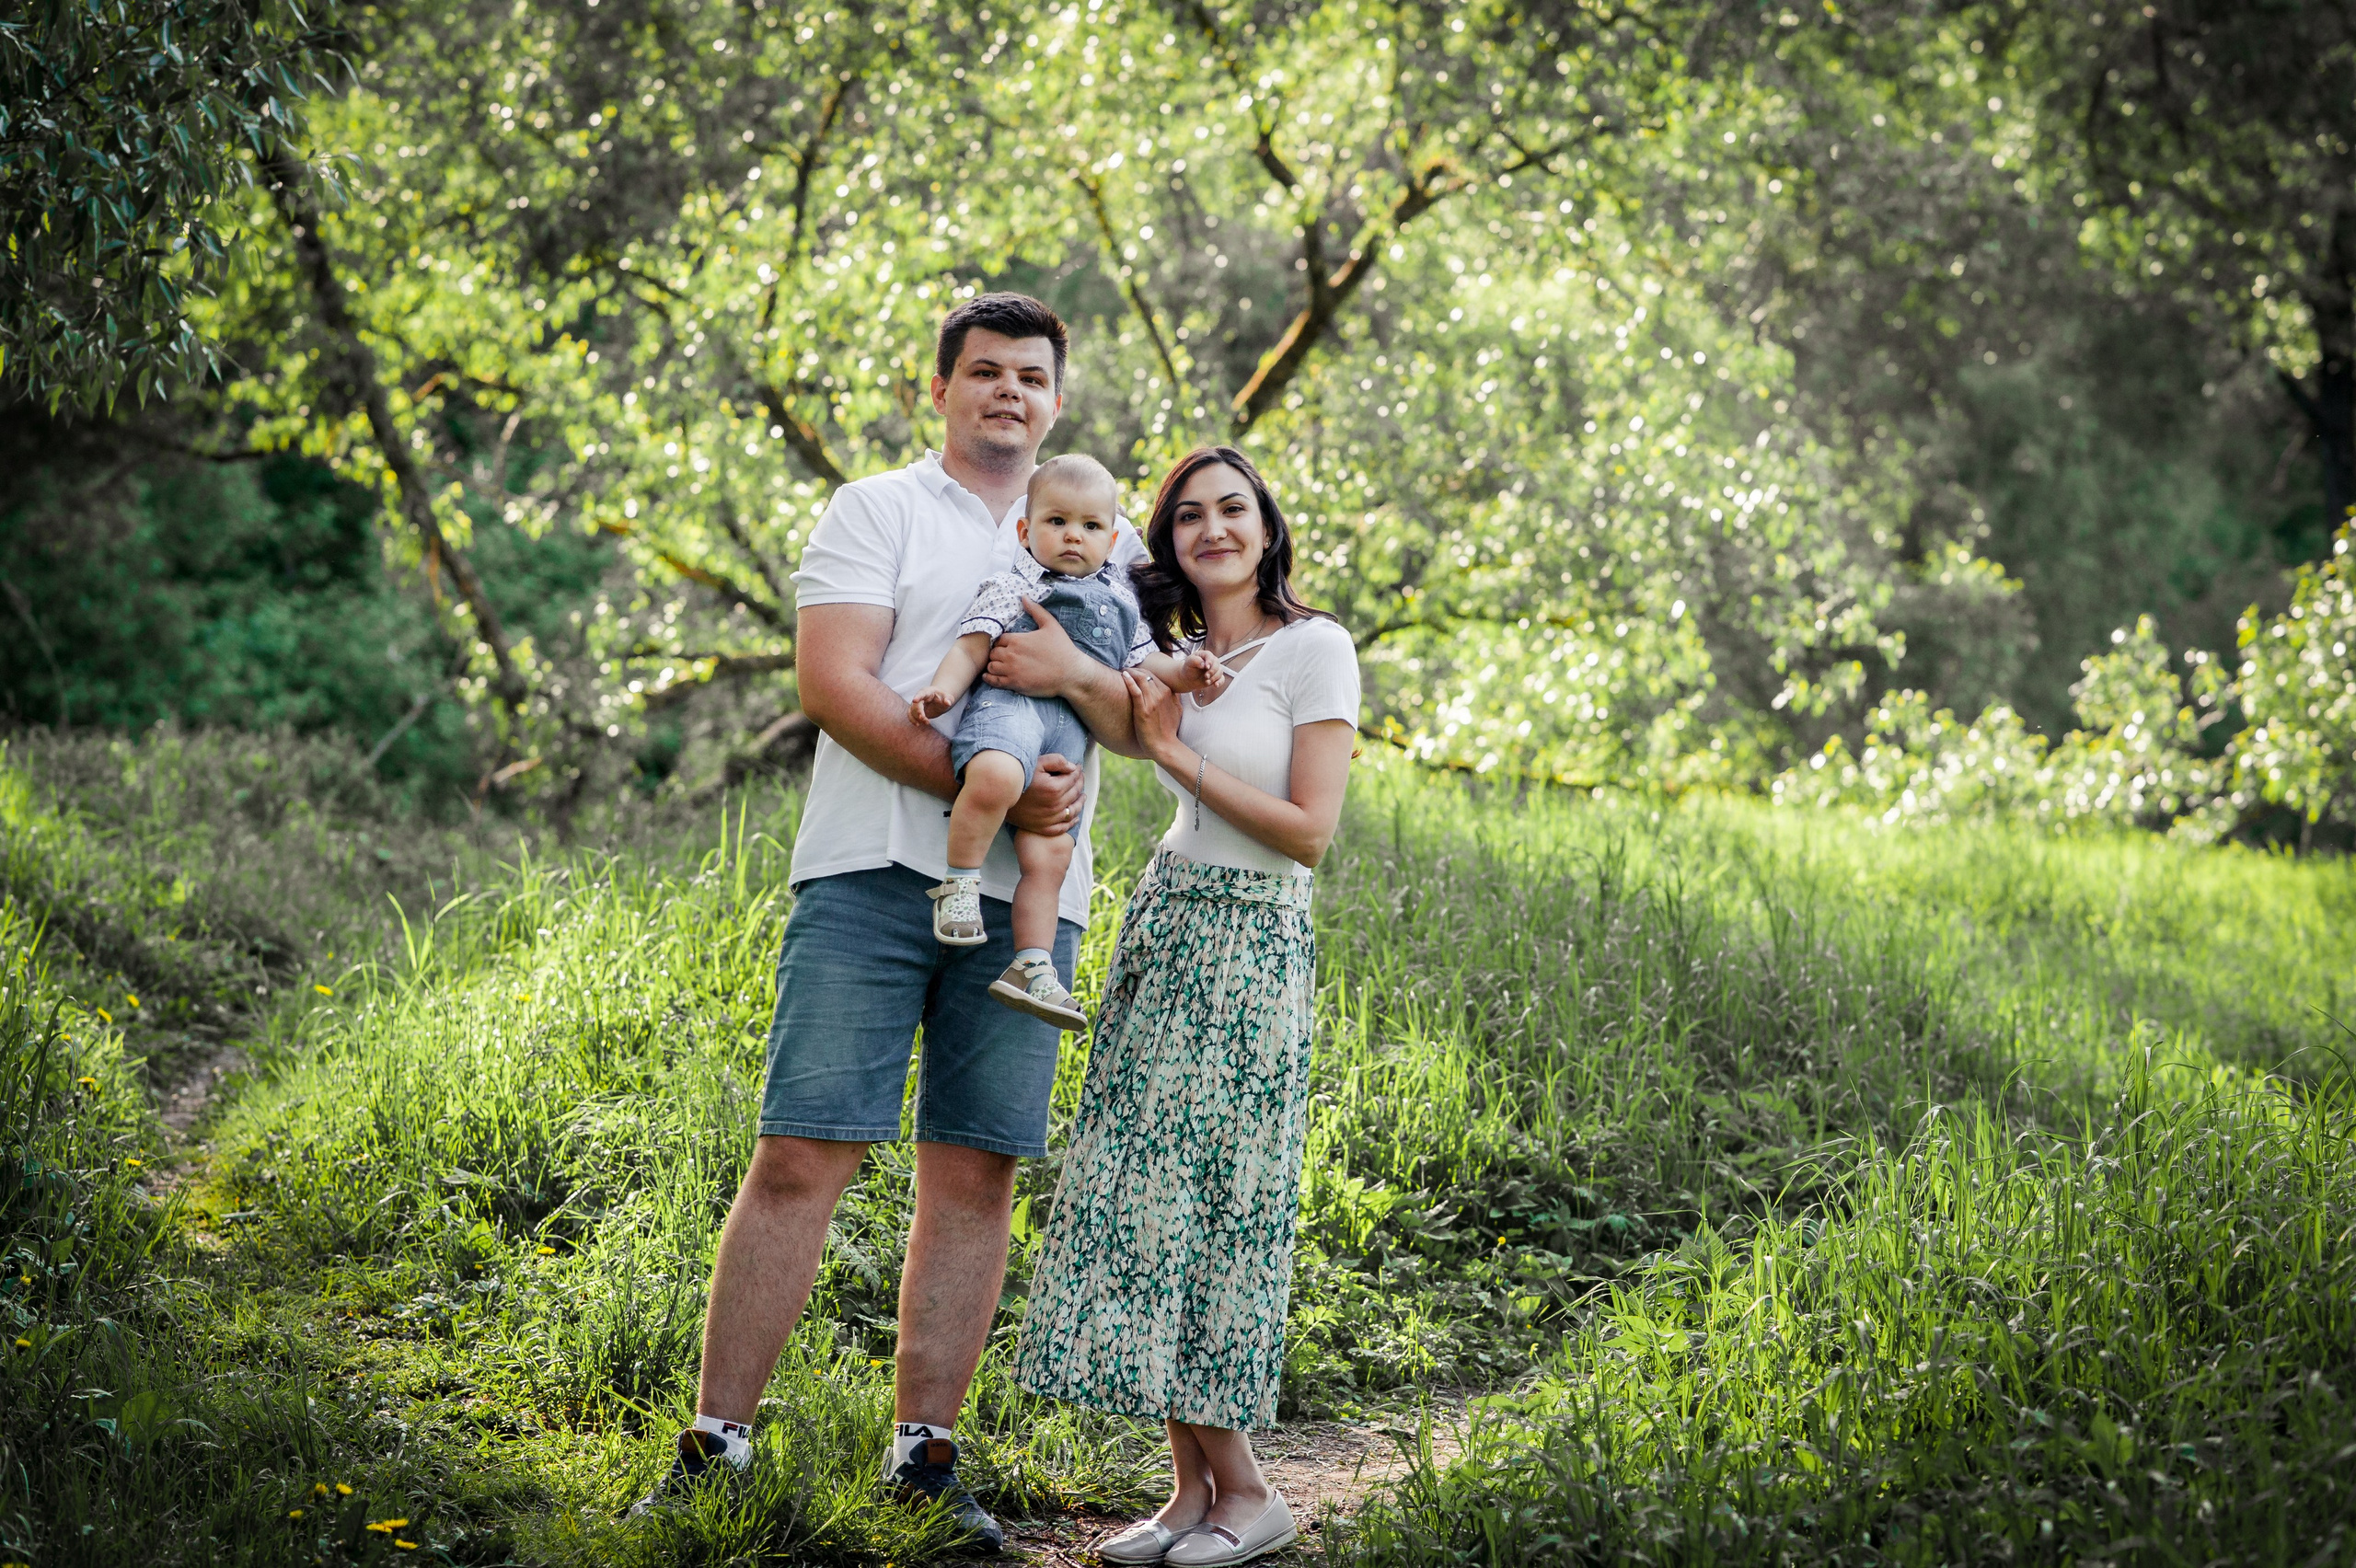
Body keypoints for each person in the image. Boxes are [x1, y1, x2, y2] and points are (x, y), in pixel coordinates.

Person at [630, 294, 1140, 1553]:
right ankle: (716, 1451)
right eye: (985, 371)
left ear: (1056, 400)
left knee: (976, 1170)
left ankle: (923, 1462)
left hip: (1032, 904)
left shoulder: (1105, 536)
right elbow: (834, 684)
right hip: (867, 875)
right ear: (941, 389)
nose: (1008, 391)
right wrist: (985, 788)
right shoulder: (877, 509)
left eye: (1031, 376)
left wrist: (1075, 693)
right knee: (801, 1154)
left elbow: (1139, 717)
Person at [1012, 445, 1361, 1568]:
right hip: (1166, 917)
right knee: (1146, 1196)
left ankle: (1249, 1493)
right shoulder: (1171, 653)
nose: (1213, 529)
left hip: (1253, 938)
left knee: (1217, 1201)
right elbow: (1071, 564)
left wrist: (1168, 746)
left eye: (1232, 509)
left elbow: (1309, 832)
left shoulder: (1315, 648)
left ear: (1267, 526)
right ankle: (1187, 1493)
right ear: (1165, 540)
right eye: (1189, 516)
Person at [909, 452, 1225, 1031]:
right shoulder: (1014, 584)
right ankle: (959, 884)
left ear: (1112, 540)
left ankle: (1031, 965)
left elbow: (1148, 664)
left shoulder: (1123, 603)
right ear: (1026, 532)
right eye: (1057, 522)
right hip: (1010, 713)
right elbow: (971, 646)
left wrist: (1189, 671)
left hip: (1066, 742)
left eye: (1091, 526)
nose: (1073, 536)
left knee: (1051, 857)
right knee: (997, 777)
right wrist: (944, 692)